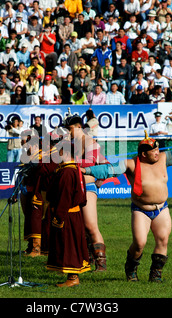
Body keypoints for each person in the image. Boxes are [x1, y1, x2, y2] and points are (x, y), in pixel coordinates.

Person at [81, 130, 172, 282]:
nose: (157, 153)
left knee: (162, 240)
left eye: (157, 149)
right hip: (141, 210)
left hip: (162, 208)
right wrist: (85, 170)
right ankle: (131, 268)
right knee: (139, 244)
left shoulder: (164, 158)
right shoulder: (131, 163)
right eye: (153, 151)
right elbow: (108, 170)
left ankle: (156, 274)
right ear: (144, 154)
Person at [64, 114, 108, 272]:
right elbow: (104, 161)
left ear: (77, 126)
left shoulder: (89, 141)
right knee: (80, 226)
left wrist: (69, 161)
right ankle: (87, 259)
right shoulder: (72, 143)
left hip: (88, 186)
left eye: (69, 129)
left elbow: (90, 161)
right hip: (74, 187)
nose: (67, 132)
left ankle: (101, 264)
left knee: (90, 226)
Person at [46, 139, 91, 287]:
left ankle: (73, 277)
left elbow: (64, 197)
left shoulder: (66, 172)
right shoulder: (75, 169)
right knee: (73, 243)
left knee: (69, 245)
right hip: (74, 213)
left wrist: (59, 216)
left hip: (67, 214)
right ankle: (72, 276)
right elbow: (83, 197)